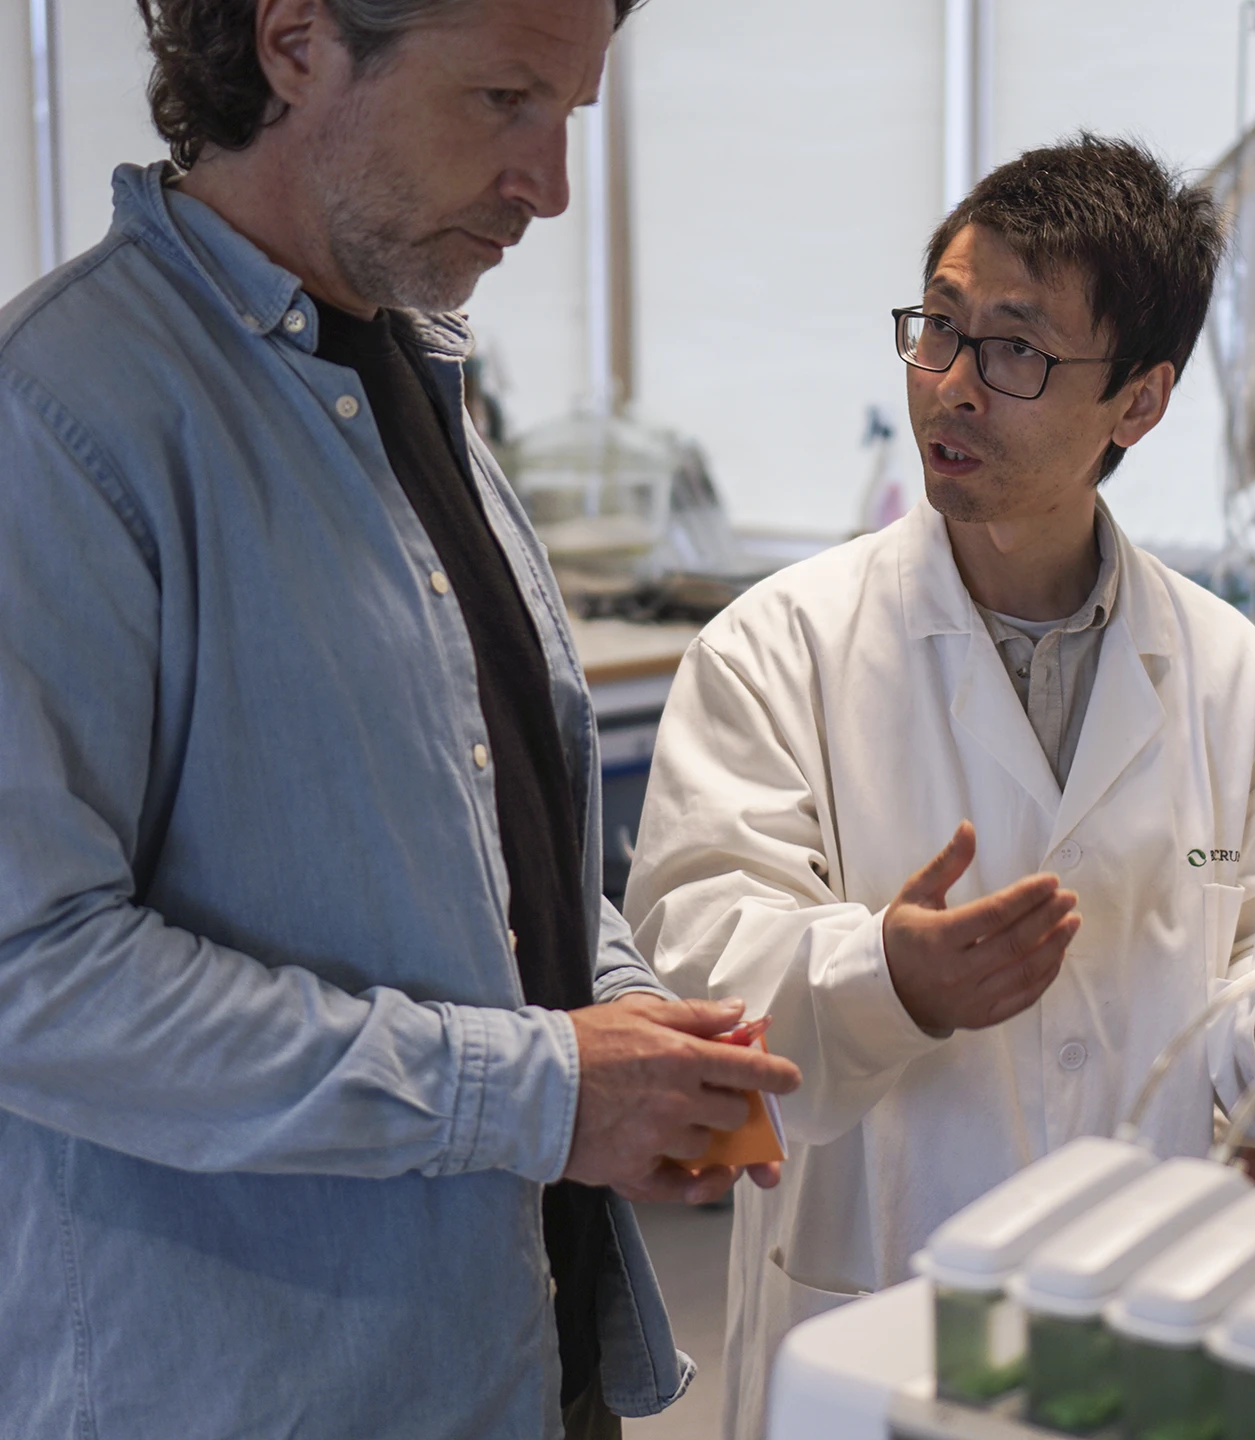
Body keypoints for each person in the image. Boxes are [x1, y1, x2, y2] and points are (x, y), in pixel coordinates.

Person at [0, 1, 800, 1436]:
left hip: (515, 1359)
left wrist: (623, 1025)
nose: (551, 185)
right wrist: (536, 1093)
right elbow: (30, 977)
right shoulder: (59, 421)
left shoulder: (408, 379)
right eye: (503, 102)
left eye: (569, 114)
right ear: (296, 44)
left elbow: (504, 848)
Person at [626, 135, 1255, 1440]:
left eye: (1015, 350)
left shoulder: (1223, 671)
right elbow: (700, 962)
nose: (949, 385)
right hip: (877, 1299)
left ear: (1141, 400)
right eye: (936, 329)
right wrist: (888, 978)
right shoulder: (778, 650)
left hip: (1153, 1313)